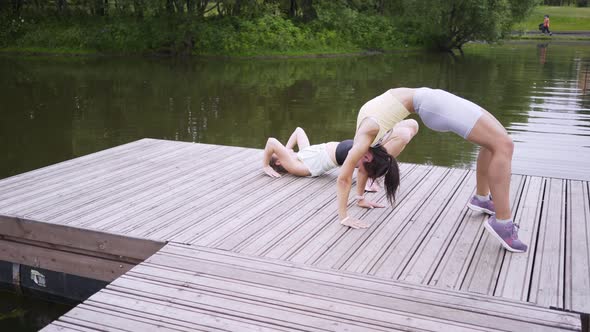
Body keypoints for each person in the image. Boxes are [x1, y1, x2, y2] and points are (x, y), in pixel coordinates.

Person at [338, 88, 527, 253]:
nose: (356, 168)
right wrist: (345, 215)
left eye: (357, 166)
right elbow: (353, 174)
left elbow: (345, 178)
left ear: (367, 157)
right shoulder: (367, 141)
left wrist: (358, 199)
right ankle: (503, 223)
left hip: (432, 102)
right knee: (504, 145)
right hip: (433, 104)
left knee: (497, 140)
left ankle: (482, 198)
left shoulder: (365, 139)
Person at [263, 120, 418, 209]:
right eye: (281, 152)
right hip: (354, 155)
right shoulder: (296, 167)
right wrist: (266, 165)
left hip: (357, 147)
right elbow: (271, 142)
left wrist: (289, 148)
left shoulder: (302, 154)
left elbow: (298, 131)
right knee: (404, 134)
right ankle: (371, 178)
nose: (284, 149)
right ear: (279, 161)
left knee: (412, 125)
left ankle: (372, 177)